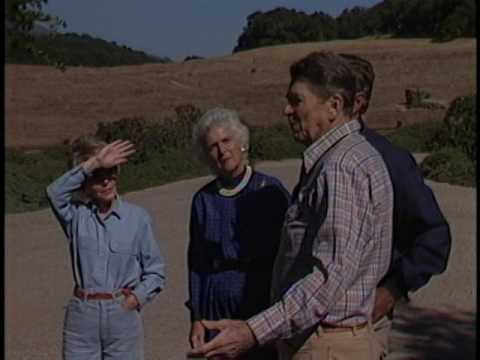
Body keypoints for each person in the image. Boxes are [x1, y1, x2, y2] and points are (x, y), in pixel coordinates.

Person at [188, 52, 394, 360]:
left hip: (327, 345)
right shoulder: (353, 156)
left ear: (334, 106)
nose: (287, 110)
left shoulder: (340, 167)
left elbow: (328, 278)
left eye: (296, 100)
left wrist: (253, 331)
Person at [339, 52, 451, 352]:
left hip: (362, 328)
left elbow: (434, 237)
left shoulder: (389, 160)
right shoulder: (319, 159)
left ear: (358, 102)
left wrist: (391, 290)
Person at [46, 136, 166, 360]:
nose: (107, 182)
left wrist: (134, 300)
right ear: (85, 183)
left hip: (121, 313)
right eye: (98, 176)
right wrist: (93, 163)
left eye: (111, 173)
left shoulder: (138, 218)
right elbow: (54, 193)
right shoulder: (75, 215)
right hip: (82, 317)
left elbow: (156, 271)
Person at [186, 107, 290, 360]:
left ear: (241, 142)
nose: (221, 151)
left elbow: (289, 251)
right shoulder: (203, 200)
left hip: (259, 299)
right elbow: (197, 263)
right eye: (212, 146)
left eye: (226, 140)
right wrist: (197, 317)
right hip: (216, 304)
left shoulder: (269, 190)